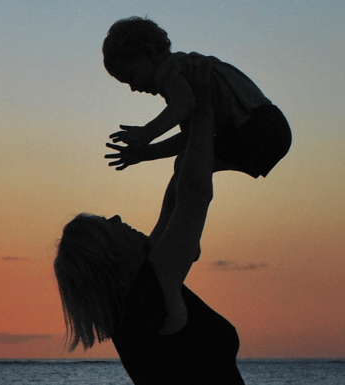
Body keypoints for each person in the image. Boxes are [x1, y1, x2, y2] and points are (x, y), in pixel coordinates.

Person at [55, 75, 244, 383]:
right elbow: (194, 196)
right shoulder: (148, 294)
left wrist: (189, 143)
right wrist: (204, 108)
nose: (116, 218)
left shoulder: (136, 301)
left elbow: (175, 204)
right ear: (111, 254)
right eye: (108, 226)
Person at [101, 16, 291, 240]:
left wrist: (147, 132)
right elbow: (191, 139)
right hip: (270, 127)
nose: (133, 87)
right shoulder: (184, 74)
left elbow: (185, 104)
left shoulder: (171, 71)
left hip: (259, 127)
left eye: (131, 76)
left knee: (187, 166)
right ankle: (177, 234)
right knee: (187, 164)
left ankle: (175, 237)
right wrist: (146, 153)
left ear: (148, 53)